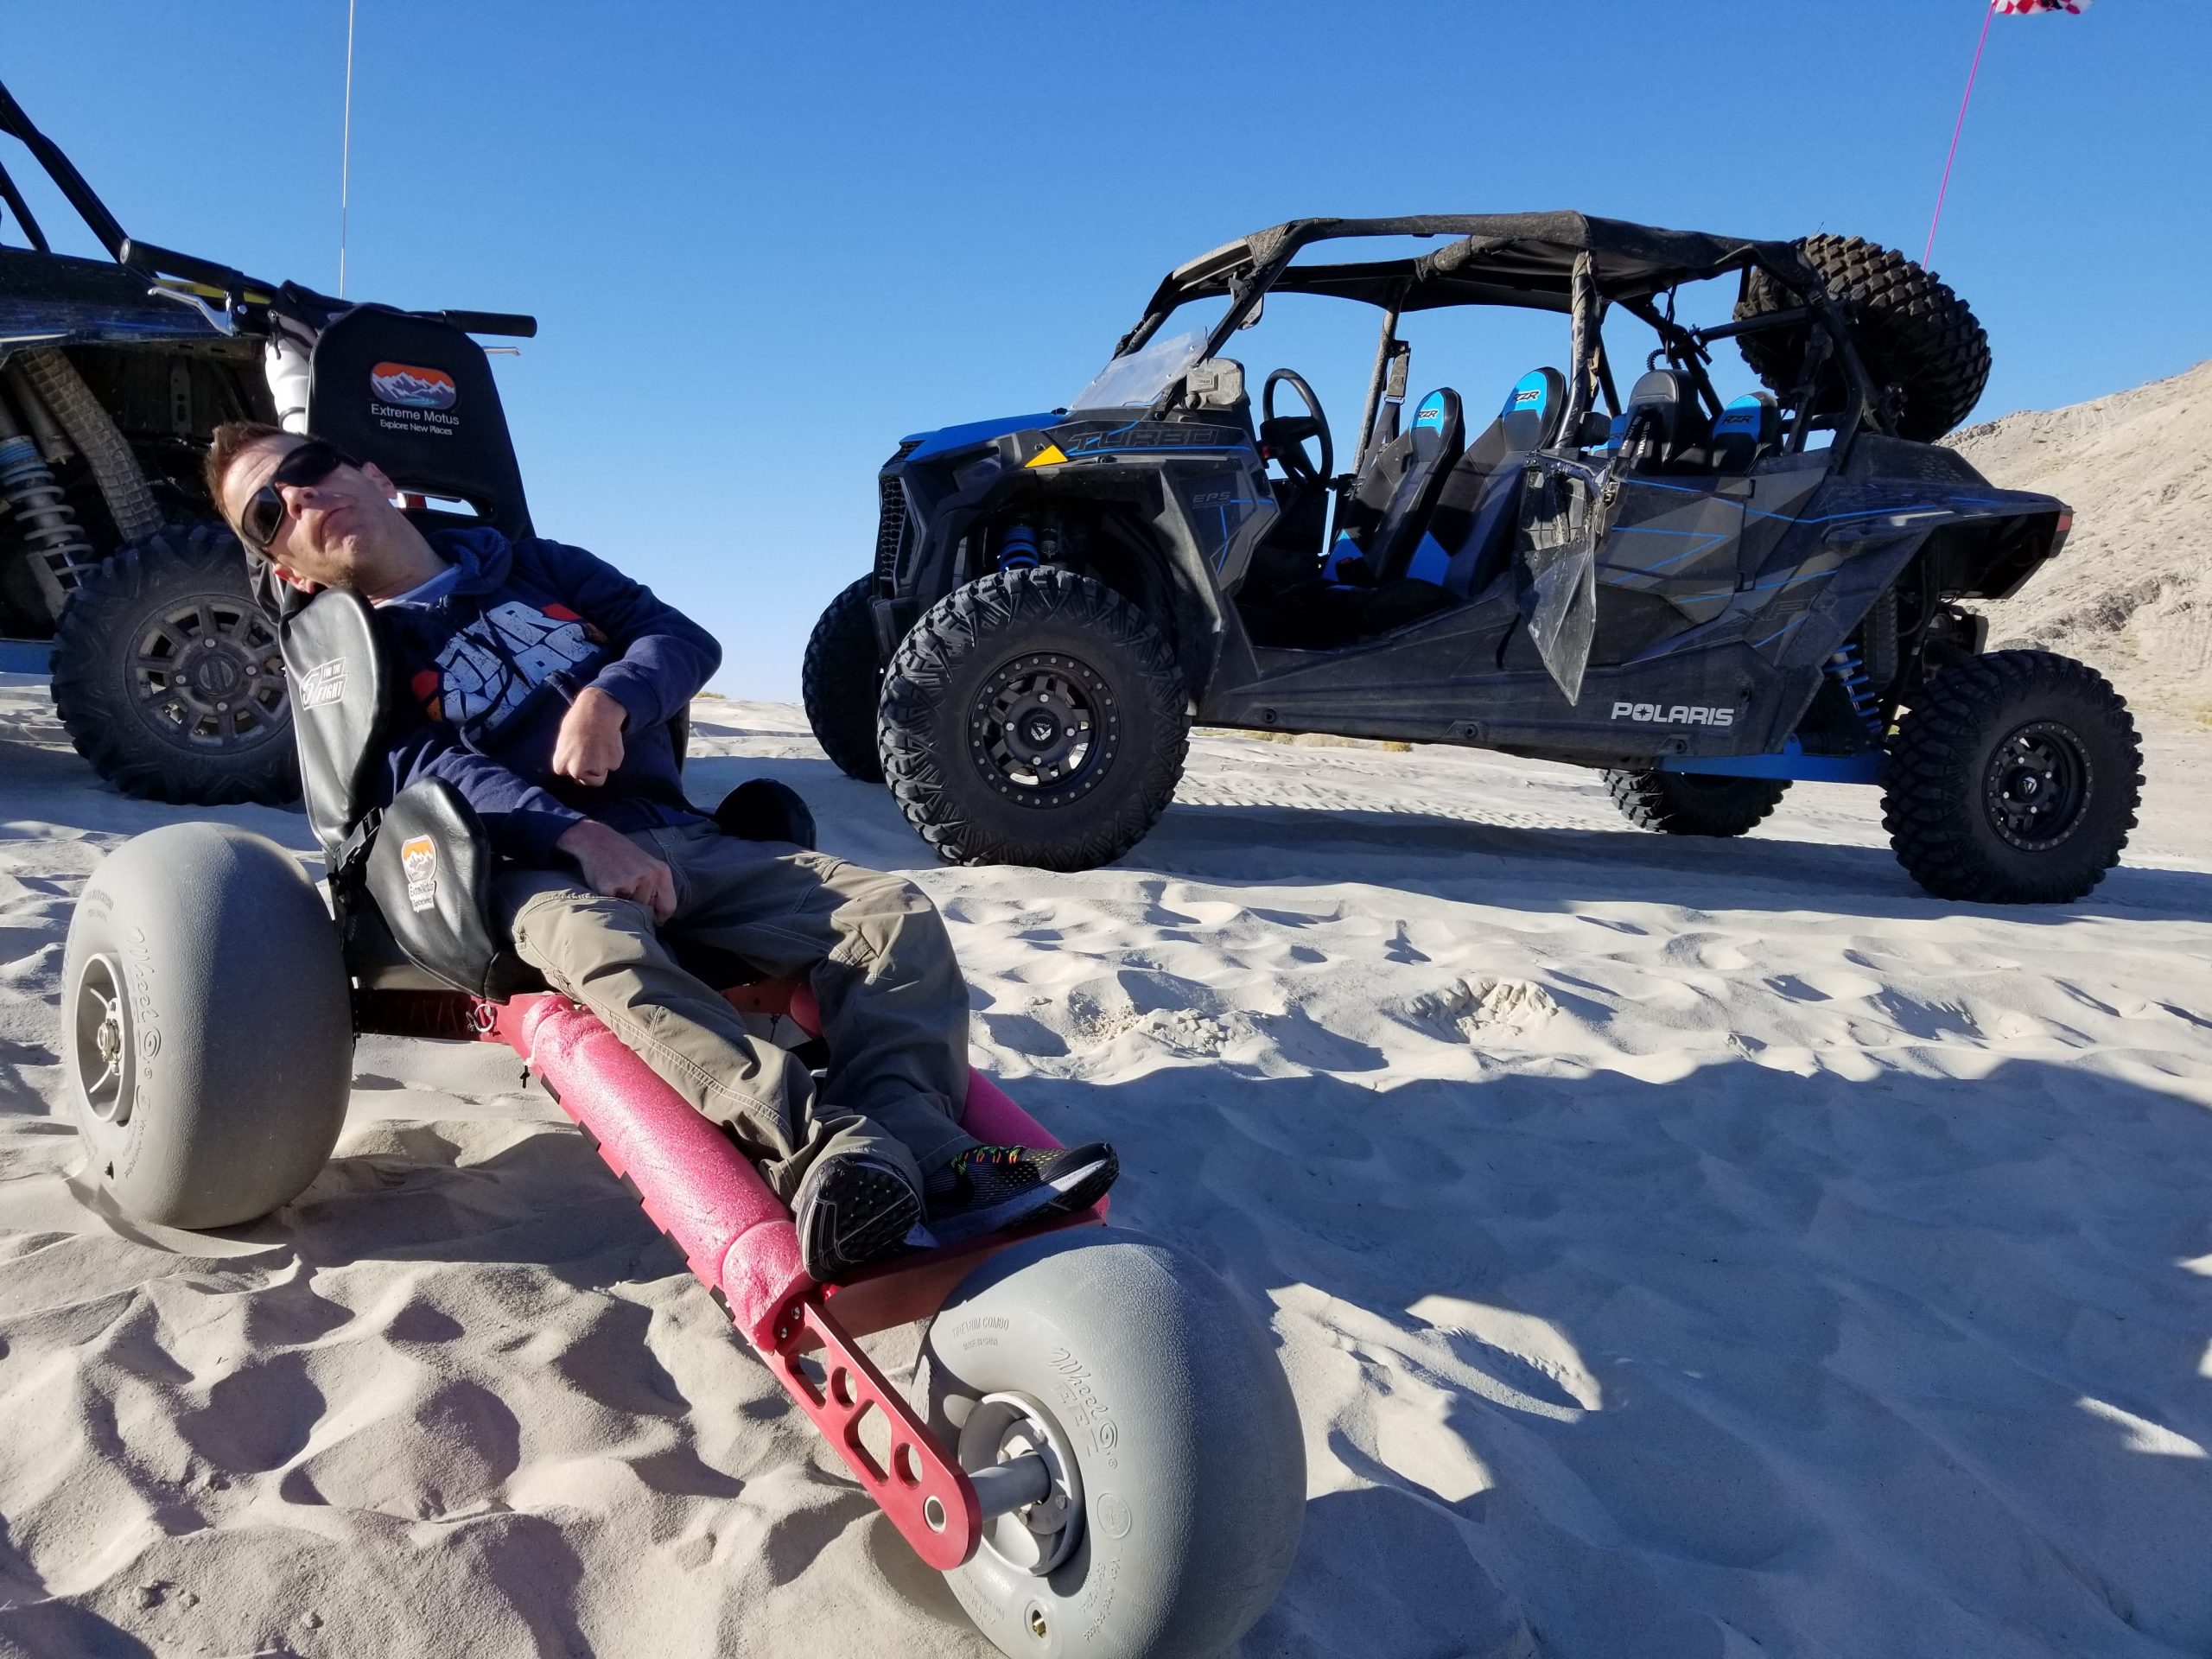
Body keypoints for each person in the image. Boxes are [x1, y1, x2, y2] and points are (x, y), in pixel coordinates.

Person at [204, 421, 1116, 1279]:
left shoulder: (535, 565)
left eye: (311, 465)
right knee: (602, 945)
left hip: (676, 835)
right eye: (267, 512)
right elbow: (419, 770)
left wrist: (609, 703)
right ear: (289, 567)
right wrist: (573, 832)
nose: (301, 496)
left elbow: (680, 638)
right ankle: (825, 1156)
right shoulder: (349, 658)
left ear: (374, 475)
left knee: (887, 916)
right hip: (518, 872)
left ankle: (925, 1151)